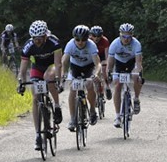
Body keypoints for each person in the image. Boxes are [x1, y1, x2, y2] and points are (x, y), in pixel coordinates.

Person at [16, 20, 63, 150]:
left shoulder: (54, 42)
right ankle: (38, 134)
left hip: (51, 66)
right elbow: (23, 68)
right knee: (36, 96)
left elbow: (58, 64)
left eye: (40, 39)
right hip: (37, 67)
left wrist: (59, 79)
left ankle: (57, 106)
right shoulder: (28, 46)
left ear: (45, 36)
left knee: (49, 77)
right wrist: (21, 81)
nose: (37, 42)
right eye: (35, 39)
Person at [62, 25, 102, 131]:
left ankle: (92, 110)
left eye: (83, 40)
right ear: (74, 38)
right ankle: (73, 119)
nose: (80, 42)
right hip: (75, 67)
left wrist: (96, 74)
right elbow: (64, 61)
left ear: (87, 39)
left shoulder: (91, 45)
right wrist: (62, 74)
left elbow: (98, 64)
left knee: (89, 85)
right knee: (72, 90)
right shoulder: (70, 45)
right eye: (77, 39)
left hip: (88, 67)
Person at [106, 23, 143, 128]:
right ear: (120, 35)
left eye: (128, 36)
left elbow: (139, 62)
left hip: (132, 62)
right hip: (119, 63)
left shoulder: (136, 44)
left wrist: (138, 72)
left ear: (132, 36)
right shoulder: (114, 44)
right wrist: (109, 73)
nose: (126, 39)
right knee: (117, 85)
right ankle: (117, 116)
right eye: (124, 36)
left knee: (136, 77)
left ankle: (136, 98)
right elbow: (110, 62)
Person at [89, 25, 112, 100]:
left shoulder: (105, 41)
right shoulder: (88, 40)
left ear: (101, 35)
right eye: (94, 36)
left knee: (104, 69)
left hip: (102, 56)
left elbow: (107, 55)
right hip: (92, 57)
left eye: (98, 36)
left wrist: (106, 62)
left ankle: (107, 86)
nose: (96, 38)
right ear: (91, 35)